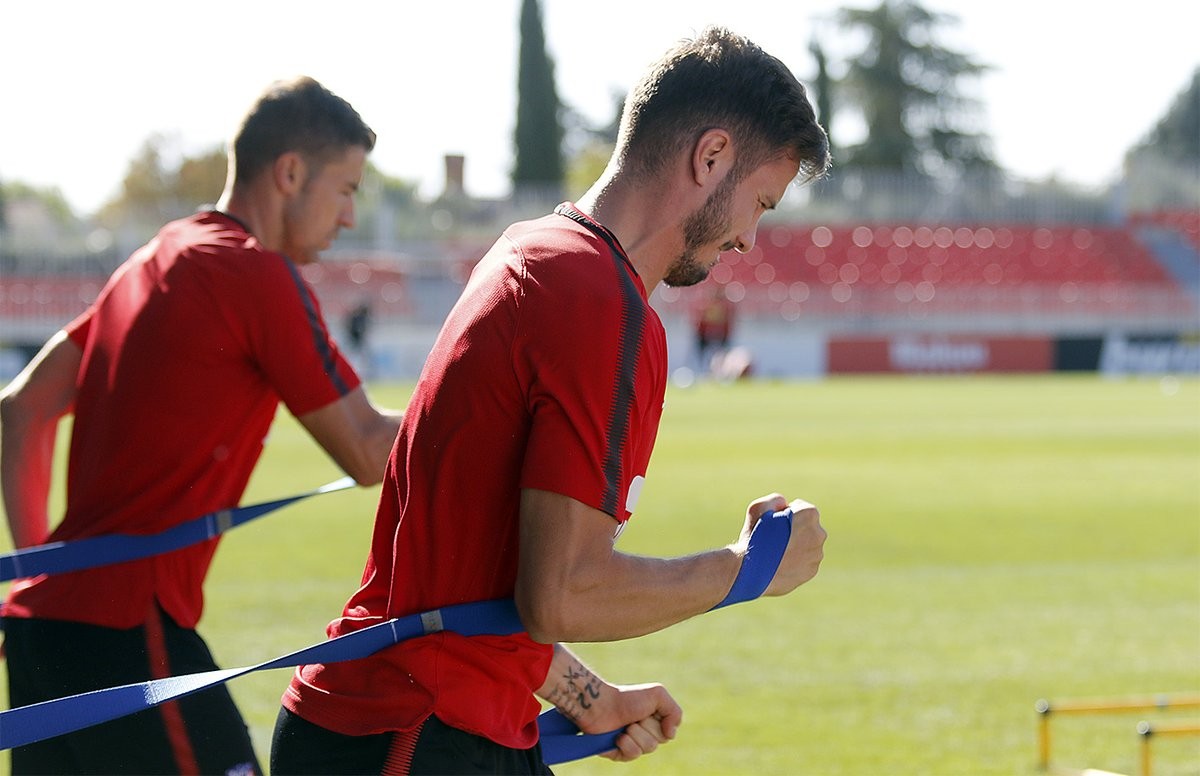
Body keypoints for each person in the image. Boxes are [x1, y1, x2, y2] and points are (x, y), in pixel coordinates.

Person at [272, 27, 830, 775]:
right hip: (419, 733)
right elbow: (561, 593)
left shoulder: (534, 250)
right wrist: (748, 569)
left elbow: (477, 565)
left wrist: (586, 698)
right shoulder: (601, 302)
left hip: (398, 721)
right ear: (711, 157)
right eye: (760, 202)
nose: (749, 239)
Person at [0, 76, 403, 775]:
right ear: (290, 173)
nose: (347, 217)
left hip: (44, 631)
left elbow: (21, 408)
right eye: (346, 189)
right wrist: (482, 411)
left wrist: (43, 574)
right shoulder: (256, 274)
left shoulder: (159, 253)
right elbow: (369, 451)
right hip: (128, 630)